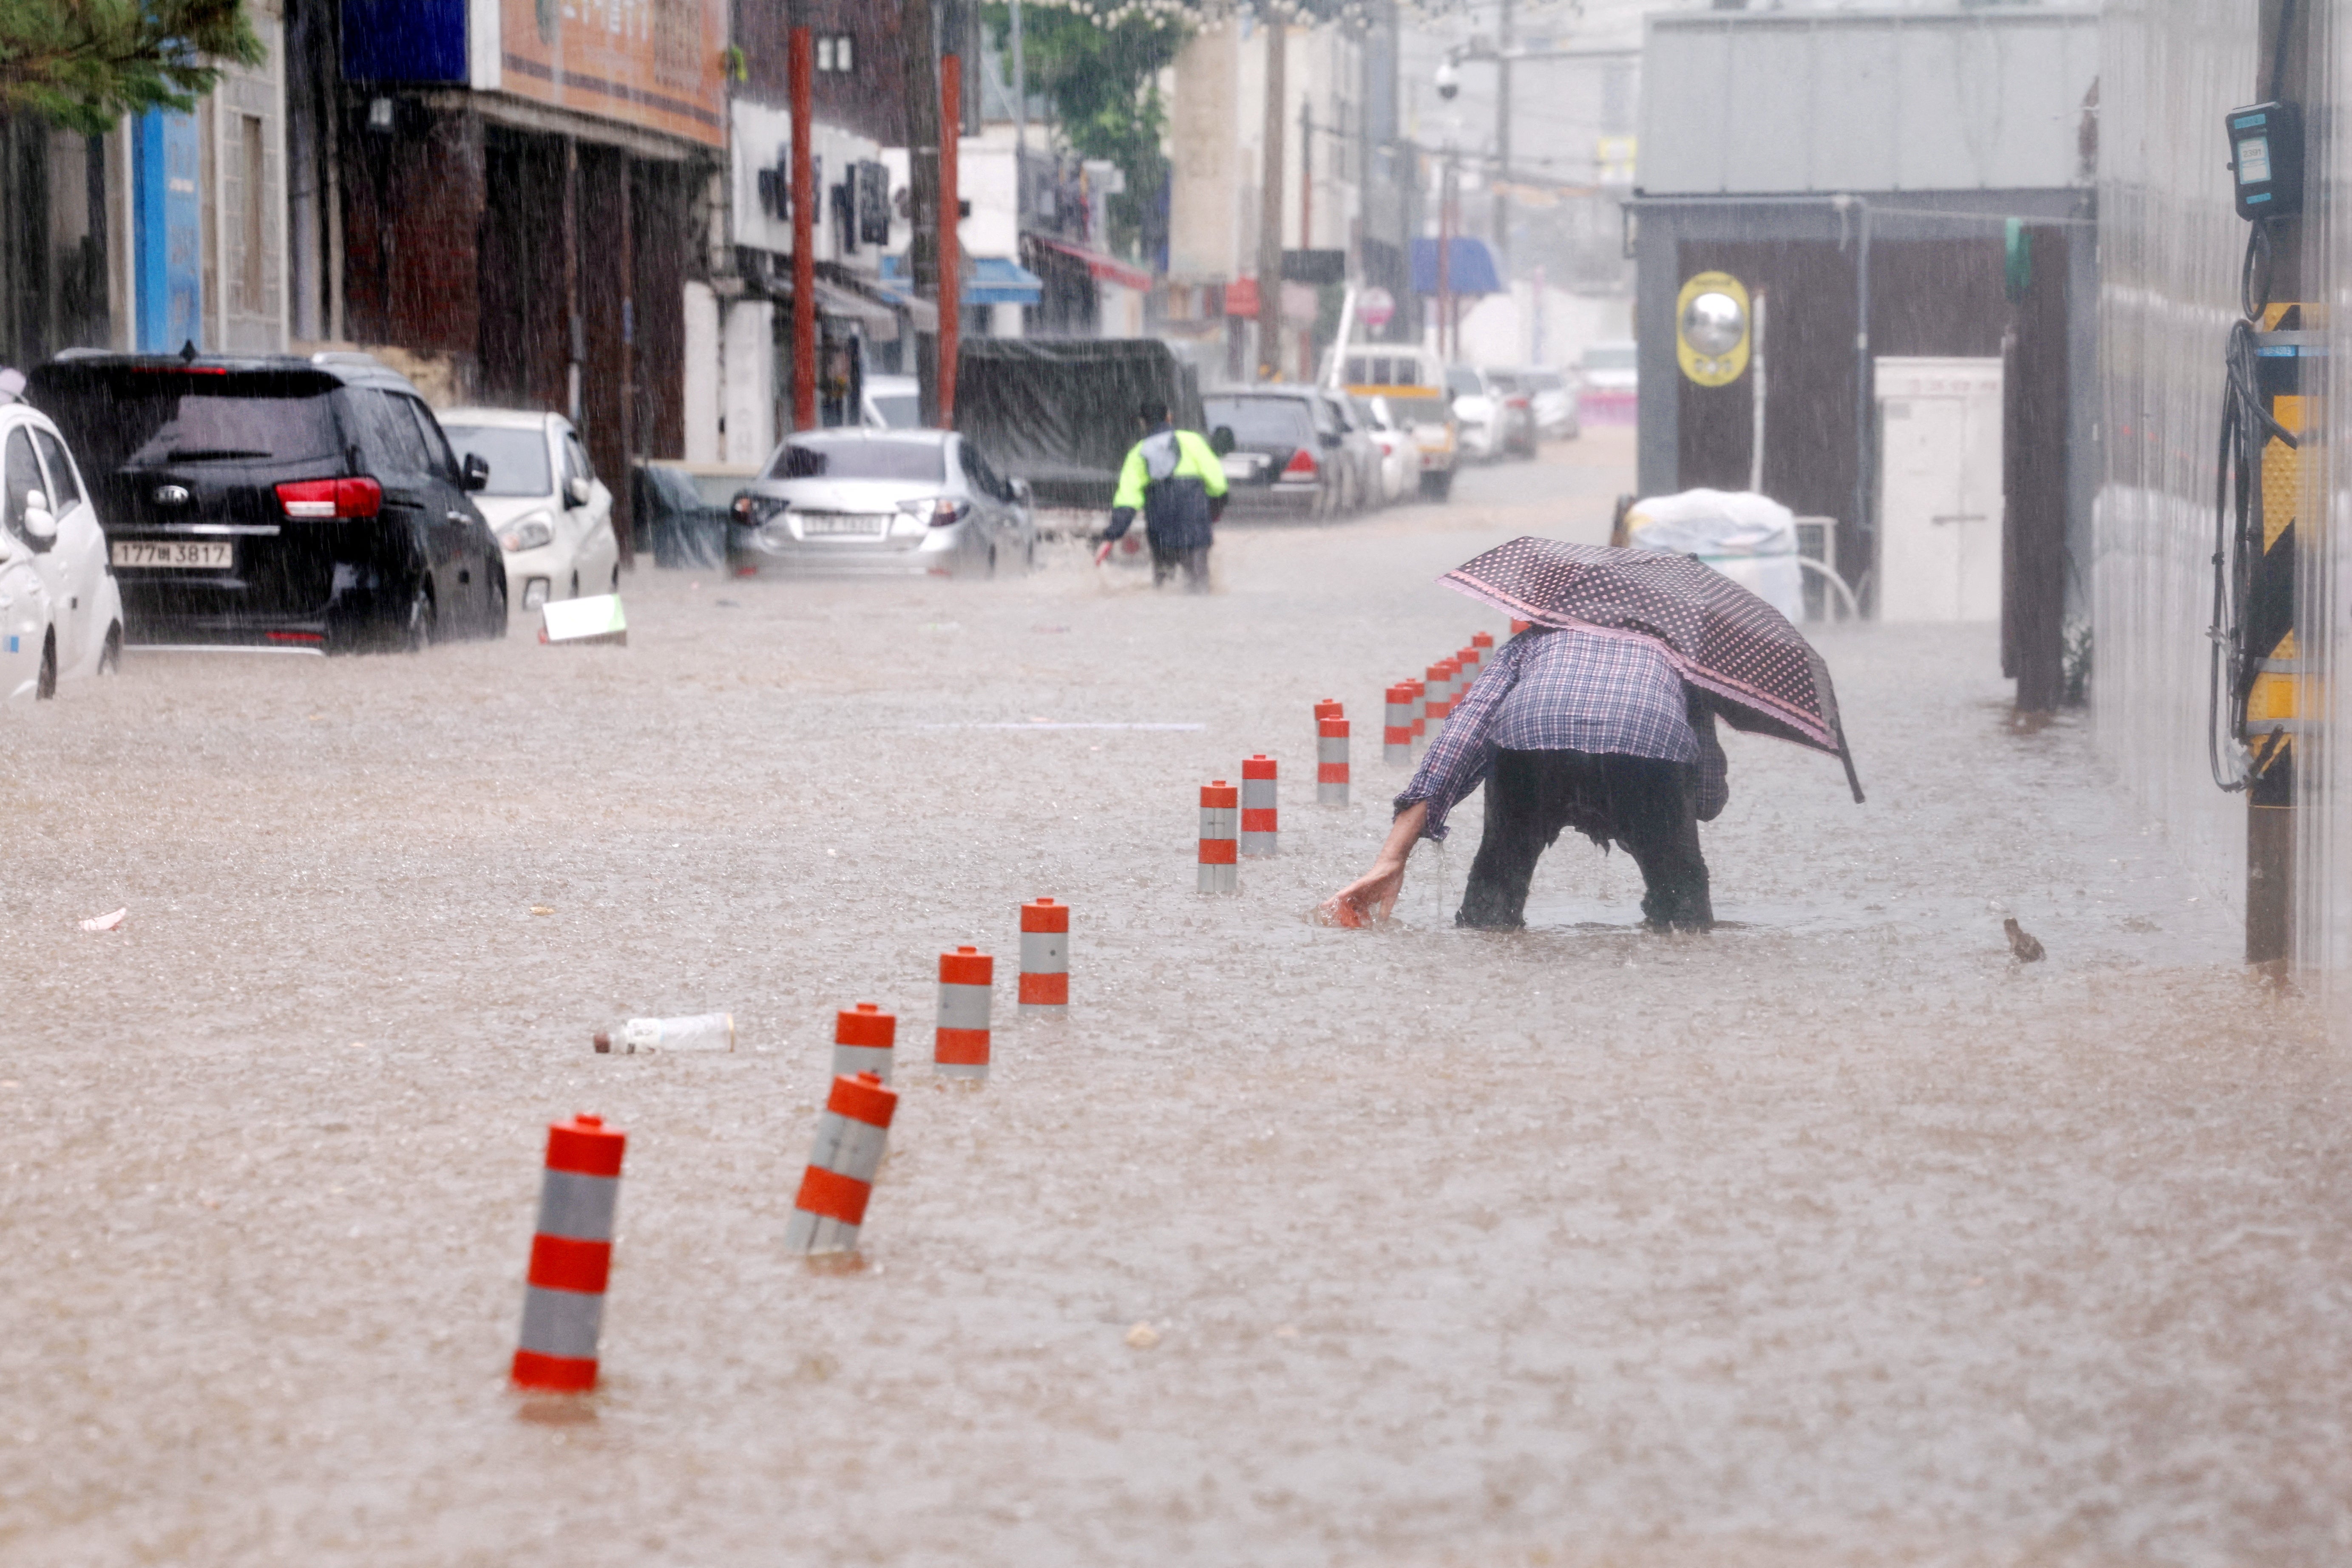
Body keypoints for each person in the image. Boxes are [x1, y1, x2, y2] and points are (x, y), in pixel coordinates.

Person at [1327, 624, 1728, 931]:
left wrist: (1393, 856)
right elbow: (1708, 799)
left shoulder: (1532, 640)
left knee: (1492, 909)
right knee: (1683, 913)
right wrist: (1670, 823)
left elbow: (1462, 736)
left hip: (1529, 744)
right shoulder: (1682, 658)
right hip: (1647, 746)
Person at [1095, 399, 1227, 591]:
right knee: (1200, 591)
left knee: (1164, 589)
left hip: (1161, 533)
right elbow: (1218, 485)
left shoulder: (1137, 454)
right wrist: (1215, 509)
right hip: (1195, 530)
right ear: (1169, 418)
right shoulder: (1192, 442)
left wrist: (1112, 535)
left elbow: (1127, 501)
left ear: (1143, 423)